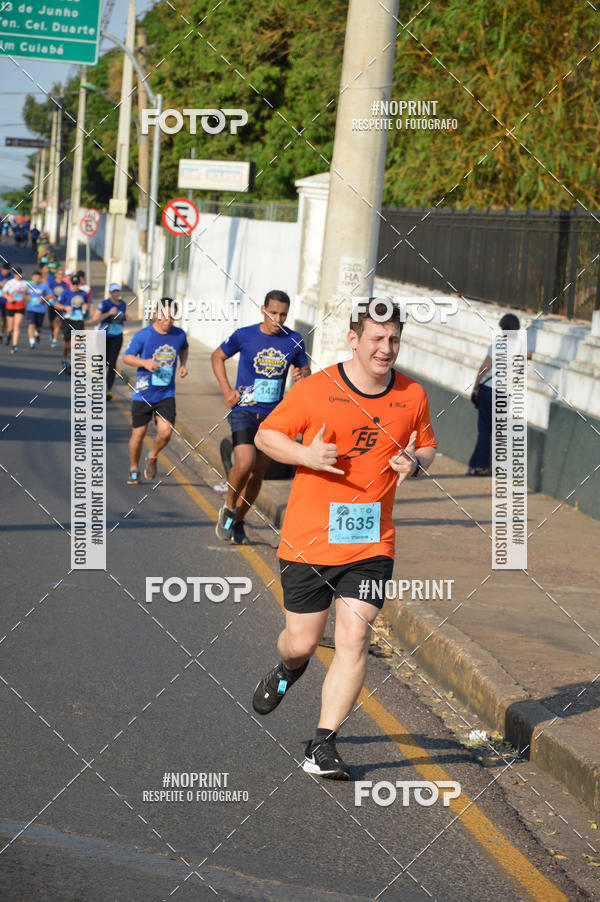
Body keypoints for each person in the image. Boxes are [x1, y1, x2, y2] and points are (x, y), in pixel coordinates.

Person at [251, 299, 437, 779]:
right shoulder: (316, 390)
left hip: (372, 543)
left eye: (393, 339)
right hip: (309, 542)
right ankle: (288, 670)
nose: (386, 348)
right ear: (353, 339)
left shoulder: (412, 394)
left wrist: (415, 463)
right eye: (377, 339)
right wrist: (304, 456)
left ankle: (322, 745)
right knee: (301, 643)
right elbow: (267, 436)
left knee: (354, 636)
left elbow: (428, 444)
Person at [211, 290, 310, 546]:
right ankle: (229, 508)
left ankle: (239, 520)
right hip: (244, 409)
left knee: (258, 474)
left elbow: (305, 371)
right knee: (244, 462)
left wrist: (302, 375)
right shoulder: (245, 335)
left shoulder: (295, 340)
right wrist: (226, 390)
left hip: (275, 417)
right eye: (273, 312)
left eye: (283, 314)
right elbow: (217, 357)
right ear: (263, 310)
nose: (278, 319)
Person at [122, 297, 188, 486]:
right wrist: (145, 363)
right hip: (143, 392)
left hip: (166, 393)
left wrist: (183, 365)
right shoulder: (144, 335)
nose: (168, 319)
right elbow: (127, 358)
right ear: (157, 314)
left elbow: (184, 349)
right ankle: (133, 467)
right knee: (139, 434)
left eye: (172, 316)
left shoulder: (179, 334)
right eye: (165, 315)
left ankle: (152, 456)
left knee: (166, 432)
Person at [466, 312, 530, 476]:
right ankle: (477, 463)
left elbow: (485, 368)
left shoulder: (496, 346)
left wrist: (475, 386)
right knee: (493, 430)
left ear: (502, 328)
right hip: (504, 394)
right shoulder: (521, 347)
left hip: (489, 389)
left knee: (484, 430)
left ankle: (480, 465)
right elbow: (529, 356)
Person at [92, 282, 127, 400]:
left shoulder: (123, 304)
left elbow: (123, 317)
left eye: (117, 291)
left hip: (117, 336)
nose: (116, 293)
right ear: (110, 293)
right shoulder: (105, 304)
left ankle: (109, 390)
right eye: (114, 291)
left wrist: (125, 317)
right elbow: (95, 319)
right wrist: (108, 313)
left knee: (112, 363)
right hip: (103, 336)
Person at [54, 274, 89, 373]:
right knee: (67, 344)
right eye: (73, 284)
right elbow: (56, 305)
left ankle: (72, 364)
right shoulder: (65, 293)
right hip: (67, 319)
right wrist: (65, 308)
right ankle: (64, 359)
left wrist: (85, 307)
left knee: (76, 343)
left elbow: (86, 303)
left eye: (77, 284)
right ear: (71, 284)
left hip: (78, 320)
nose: (75, 286)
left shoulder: (83, 294)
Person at [2, 265, 29, 353]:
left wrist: (26, 297)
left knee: (17, 326)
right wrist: (8, 298)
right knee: (10, 328)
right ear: (14, 274)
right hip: (10, 306)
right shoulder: (10, 282)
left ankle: (14, 346)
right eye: (16, 274)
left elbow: (28, 294)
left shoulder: (25, 283)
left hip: (20, 306)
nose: (18, 275)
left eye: (19, 274)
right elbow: (3, 293)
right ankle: (9, 335)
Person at [25, 270, 52, 349]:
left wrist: (43, 298)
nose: (36, 279)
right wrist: (27, 298)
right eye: (35, 277)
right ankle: (32, 342)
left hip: (41, 310)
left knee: (38, 327)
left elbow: (50, 295)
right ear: (32, 277)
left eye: (38, 278)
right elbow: (23, 293)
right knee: (31, 325)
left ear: (40, 278)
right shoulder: (28, 285)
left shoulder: (45, 285)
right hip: (31, 309)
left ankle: (37, 334)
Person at [47, 266, 69, 348]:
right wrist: (50, 296)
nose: (60, 276)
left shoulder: (65, 285)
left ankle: (54, 340)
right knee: (51, 323)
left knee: (57, 322)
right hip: (52, 305)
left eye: (62, 274)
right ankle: (53, 333)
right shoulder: (51, 283)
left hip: (60, 306)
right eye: (59, 274)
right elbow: (47, 292)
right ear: (56, 275)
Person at [0, 260, 11, 341]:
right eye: (4, 269)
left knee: (4, 319)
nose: (5, 271)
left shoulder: (11, 277)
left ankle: (2, 333)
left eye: (7, 270)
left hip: (6, 301)